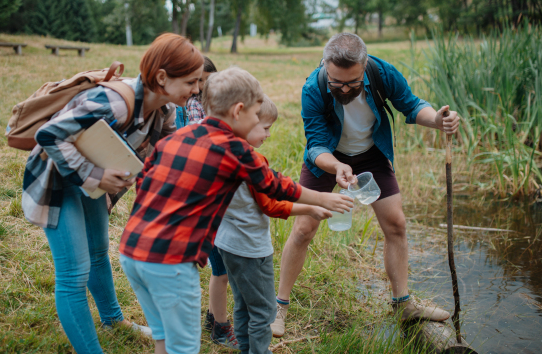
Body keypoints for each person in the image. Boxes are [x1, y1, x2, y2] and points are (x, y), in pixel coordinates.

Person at [119, 66, 354, 354]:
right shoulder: (234, 148)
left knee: (165, 337)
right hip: (171, 261)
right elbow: (275, 185)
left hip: (131, 251)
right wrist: (322, 198)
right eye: (256, 114)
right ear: (238, 110)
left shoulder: (179, 136)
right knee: (183, 346)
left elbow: (143, 181)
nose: (258, 120)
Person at [21, 33, 204, 354]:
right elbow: (48, 134)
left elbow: (171, 160)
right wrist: (96, 175)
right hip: (57, 180)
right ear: (162, 77)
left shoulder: (163, 112)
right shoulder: (115, 103)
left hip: (92, 181)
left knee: (97, 252)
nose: (196, 90)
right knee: (73, 273)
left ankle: (112, 319)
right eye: (191, 82)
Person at [271, 32, 461, 337]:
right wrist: (337, 166)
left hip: (371, 154)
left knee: (396, 224)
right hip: (327, 159)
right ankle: (278, 306)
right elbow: (316, 145)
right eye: (337, 82)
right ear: (325, 67)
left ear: (365, 67)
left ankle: (403, 304)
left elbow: (411, 106)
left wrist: (436, 120)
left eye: (353, 83)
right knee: (304, 228)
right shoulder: (314, 86)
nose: (344, 89)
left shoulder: (381, 72)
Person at [215, 95, 332, 354]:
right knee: (264, 310)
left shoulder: (220, 151)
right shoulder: (251, 161)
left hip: (226, 242)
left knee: (243, 302)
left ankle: (246, 349)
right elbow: (270, 205)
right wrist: (312, 207)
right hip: (250, 248)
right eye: (265, 128)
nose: (268, 135)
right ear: (244, 119)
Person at [173, 56, 238, 349]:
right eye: (197, 82)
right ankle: (219, 327)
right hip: (199, 201)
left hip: (208, 198)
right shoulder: (187, 111)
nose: (200, 88)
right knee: (220, 268)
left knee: (219, 266)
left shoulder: (202, 107)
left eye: (206, 82)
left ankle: (214, 317)